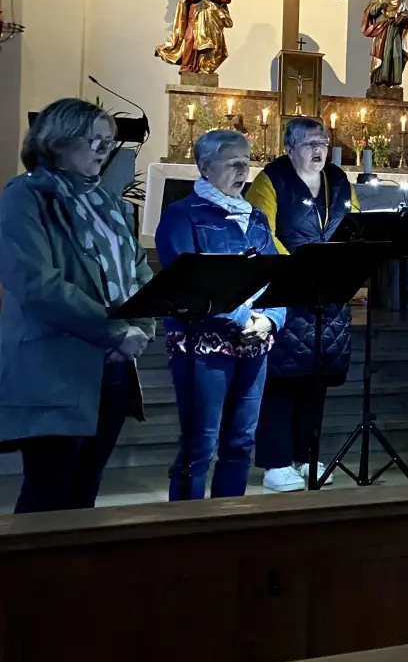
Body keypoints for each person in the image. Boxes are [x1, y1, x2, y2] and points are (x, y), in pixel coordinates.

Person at [0, 99, 154, 512]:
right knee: (49, 492)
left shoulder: (106, 202)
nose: (105, 150)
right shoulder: (26, 196)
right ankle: (31, 577)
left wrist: (142, 325)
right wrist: (113, 330)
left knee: (86, 487)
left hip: (115, 367)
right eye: (94, 140)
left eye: (109, 141)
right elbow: (36, 283)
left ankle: (72, 577)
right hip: (56, 364)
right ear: (56, 141)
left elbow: (136, 269)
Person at [155, 130, 285, 501]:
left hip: (254, 345)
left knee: (241, 442)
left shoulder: (256, 217)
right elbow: (187, 281)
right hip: (202, 346)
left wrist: (270, 319)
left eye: (247, 162)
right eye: (234, 164)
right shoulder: (182, 214)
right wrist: (242, 318)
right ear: (204, 167)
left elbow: (278, 275)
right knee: (200, 444)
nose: (244, 171)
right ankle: (187, 530)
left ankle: (228, 524)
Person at [243, 117, 356, 492]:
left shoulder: (338, 180)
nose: (318, 149)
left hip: (328, 294)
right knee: (281, 380)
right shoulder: (270, 179)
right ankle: (275, 463)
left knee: (315, 378)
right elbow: (260, 231)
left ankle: (306, 455)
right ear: (289, 147)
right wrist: (298, 269)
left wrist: (343, 265)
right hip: (287, 292)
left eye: (322, 141)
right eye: (309, 143)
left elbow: (353, 226)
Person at [154, 0, 233, 75]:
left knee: (210, 43)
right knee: (190, 38)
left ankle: (205, 67)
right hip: (195, 15)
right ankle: (186, 67)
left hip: (211, 18)